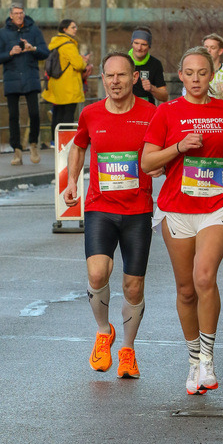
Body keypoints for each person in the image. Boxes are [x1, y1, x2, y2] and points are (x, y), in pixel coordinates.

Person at [141, 47, 223, 395]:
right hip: (176, 210)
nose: (196, 79)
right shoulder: (167, 112)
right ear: (181, 75)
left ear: (213, 73)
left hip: (217, 205)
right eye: (189, 73)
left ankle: (208, 359)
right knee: (186, 289)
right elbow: (147, 162)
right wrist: (179, 148)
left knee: (205, 276)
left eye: (203, 72)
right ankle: (192, 360)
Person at [63, 53, 158, 378]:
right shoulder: (90, 113)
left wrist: (160, 166)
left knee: (134, 287)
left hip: (138, 209)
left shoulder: (150, 113)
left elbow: (164, 151)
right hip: (101, 207)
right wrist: (72, 180)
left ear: (133, 78)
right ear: (102, 79)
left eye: (121, 75)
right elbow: (78, 146)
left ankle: (128, 349)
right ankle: (104, 332)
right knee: (97, 274)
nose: (115, 81)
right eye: (109, 76)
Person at [0, 1, 49, 165]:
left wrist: (33, 49)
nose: (19, 15)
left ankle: (33, 144)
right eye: (16, 13)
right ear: (10, 15)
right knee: (13, 116)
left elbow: (45, 53)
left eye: (21, 13)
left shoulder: (34, 30)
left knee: (35, 114)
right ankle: (16, 150)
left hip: (30, 76)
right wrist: (10, 53)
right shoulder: (2, 34)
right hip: (12, 78)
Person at [42, 18, 92, 142]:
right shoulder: (69, 45)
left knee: (57, 113)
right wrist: (84, 61)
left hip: (57, 84)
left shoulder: (56, 43)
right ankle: (65, 141)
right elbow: (78, 65)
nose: (75, 29)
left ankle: (55, 140)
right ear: (65, 29)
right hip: (69, 85)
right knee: (68, 114)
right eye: (73, 27)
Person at [129, 28, 169, 104]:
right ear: (132, 43)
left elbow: (165, 97)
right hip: (126, 109)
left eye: (143, 44)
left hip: (147, 111)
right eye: (136, 43)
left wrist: (152, 88)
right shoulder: (123, 61)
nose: (139, 48)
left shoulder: (155, 64)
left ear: (149, 46)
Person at [203, 32, 223, 99]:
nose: (208, 50)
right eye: (206, 47)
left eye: (213, 47)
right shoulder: (196, 71)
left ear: (220, 51)